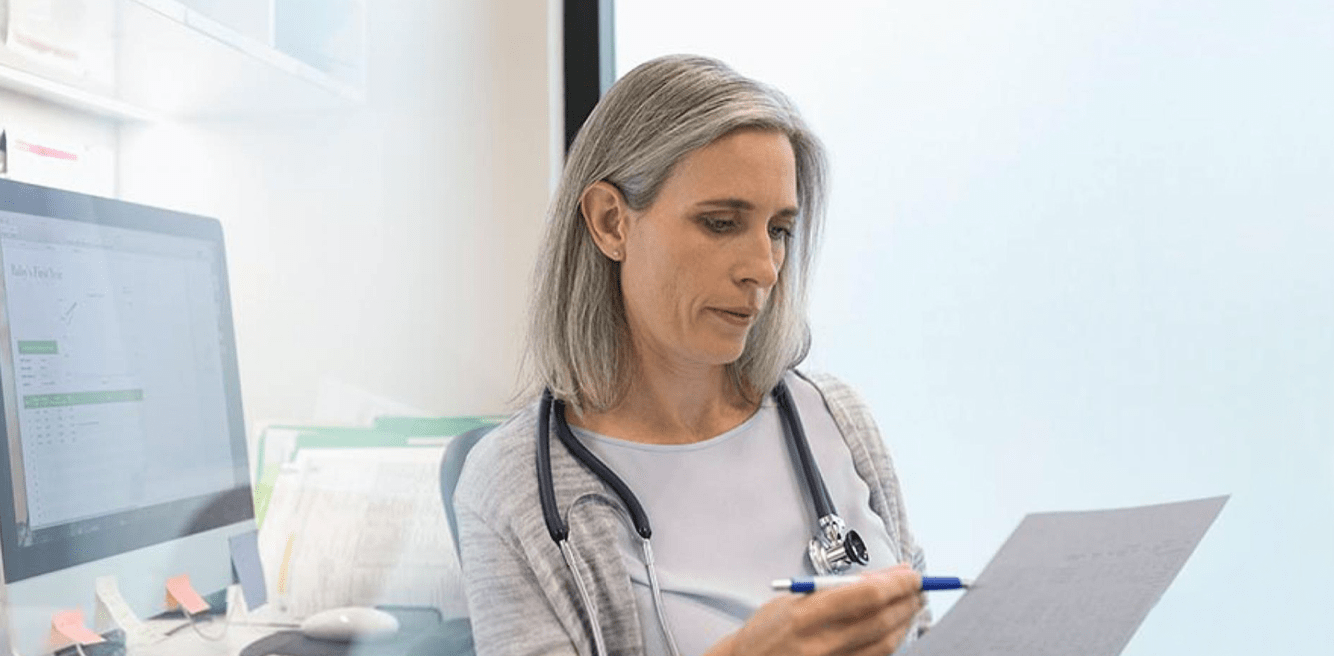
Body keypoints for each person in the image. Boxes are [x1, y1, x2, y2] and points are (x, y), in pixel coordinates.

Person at [454, 54, 931, 656]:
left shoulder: (835, 419)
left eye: (778, 230)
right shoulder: (514, 487)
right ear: (610, 224)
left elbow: (924, 635)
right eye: (721, 223)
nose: (762, 269)